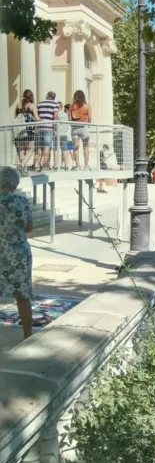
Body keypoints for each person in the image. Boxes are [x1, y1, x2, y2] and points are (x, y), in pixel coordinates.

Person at [0, 166, 33, 339]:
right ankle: (27, 333)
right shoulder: (23, 202)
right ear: (15, 184)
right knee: (22, 294)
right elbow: (29, 228)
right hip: (19, 253)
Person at [35, 91, 60, 171]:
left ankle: (38, 164)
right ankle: (44, 165)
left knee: (39, 147)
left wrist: (36, 127)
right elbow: (55, 116)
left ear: (46, 96)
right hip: (49, 127)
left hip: (40, 127)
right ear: (54, 98)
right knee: (47, 147)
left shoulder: (39, 103)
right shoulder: (55, 104)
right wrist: (55, 128)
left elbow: (37, 115)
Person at [13, 90, 37, 172]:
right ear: (31, 97)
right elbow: (37, 118)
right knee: (32, 149)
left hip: (18, 131)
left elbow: (15, 118)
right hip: (28, 131)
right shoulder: (31, 106)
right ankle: (23, 165)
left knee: (21, 150)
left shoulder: (18, 106)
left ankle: (24, 169)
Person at [69, 90, 91, 170]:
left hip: (74, 128)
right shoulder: (87, 106)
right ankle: (86, 165)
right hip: (84, 127)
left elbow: (69, 119)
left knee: (75, 147)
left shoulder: (72, 106)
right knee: (86, 147)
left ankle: (77, 166)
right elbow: (90, 118)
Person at [59, 104, 74, 170]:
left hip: (68, 136)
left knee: (69, 151)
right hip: (66, 135)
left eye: (65, 109)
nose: (64, 110)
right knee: (64, 151)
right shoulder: (66, 116)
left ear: (67, 109)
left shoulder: (68, 116)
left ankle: (72, 163)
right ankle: (63, 164)